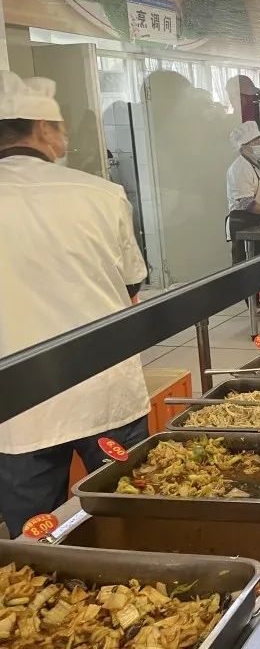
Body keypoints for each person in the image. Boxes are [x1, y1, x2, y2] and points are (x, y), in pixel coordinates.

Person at [0, 72, 149, 536]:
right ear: (43, 129)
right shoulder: (100, 194)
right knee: (129, 517)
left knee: (36, 542)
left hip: (18, 408)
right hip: (103, 394)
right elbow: (132, 287)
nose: (65, 136)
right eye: (61, 126)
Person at [225, 120, 260, 266]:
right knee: (247, 268)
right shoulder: (239, 168)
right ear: (244, 146)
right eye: (256, 142)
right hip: (245, 225)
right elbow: (247, 203)